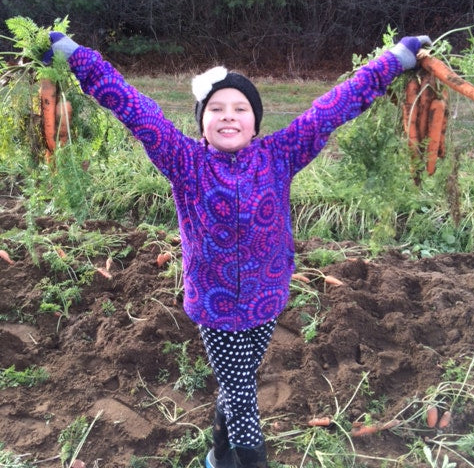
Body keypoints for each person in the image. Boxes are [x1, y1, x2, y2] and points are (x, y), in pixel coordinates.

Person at [46, 31, 431, 468]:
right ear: (202, 121)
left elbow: (332, 107)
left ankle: (217, 455)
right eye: (216, 109)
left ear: (255, 120)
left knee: (238, 383)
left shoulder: (280, 154)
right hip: (215, 306)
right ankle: (248, 460)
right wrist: (76, 57)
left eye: (240, 108)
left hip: (267, 298)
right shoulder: (183, 161)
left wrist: (394, 61)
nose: (228, 116)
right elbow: (134, 107)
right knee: (244, 399)